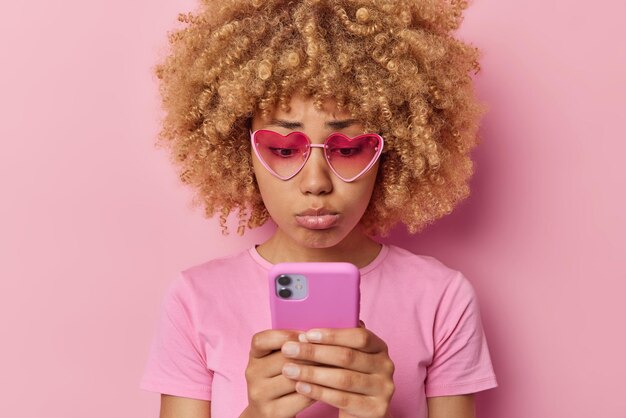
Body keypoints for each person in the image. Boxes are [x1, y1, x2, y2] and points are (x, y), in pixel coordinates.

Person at [139, 0, 498, 417]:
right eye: (282, 148)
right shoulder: (195, 300)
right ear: (241, 152)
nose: (315, 183)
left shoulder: (442, 299)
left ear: (393, 152)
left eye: (348, 149)